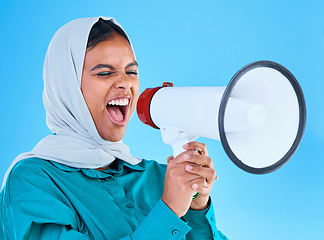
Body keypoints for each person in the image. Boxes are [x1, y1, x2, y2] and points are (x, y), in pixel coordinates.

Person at [0, 17, 228, 240]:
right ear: (67, 87)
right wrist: (168, 211)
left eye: (131, 72)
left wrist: (198, 209)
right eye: (104, 73)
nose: (125, 83)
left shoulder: (160, 177)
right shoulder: (32, 182)